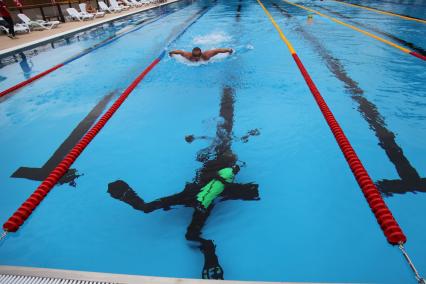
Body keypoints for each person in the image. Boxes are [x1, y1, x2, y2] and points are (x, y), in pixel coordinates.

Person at [169, 47, 233, 62]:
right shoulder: (188, 56)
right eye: (194, 56)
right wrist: (172, 52)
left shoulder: (207, 55)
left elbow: (217, 50)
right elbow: (180, 52)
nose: (196, 58)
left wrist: (228, 50)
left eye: (197, 56)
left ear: (201, 54)